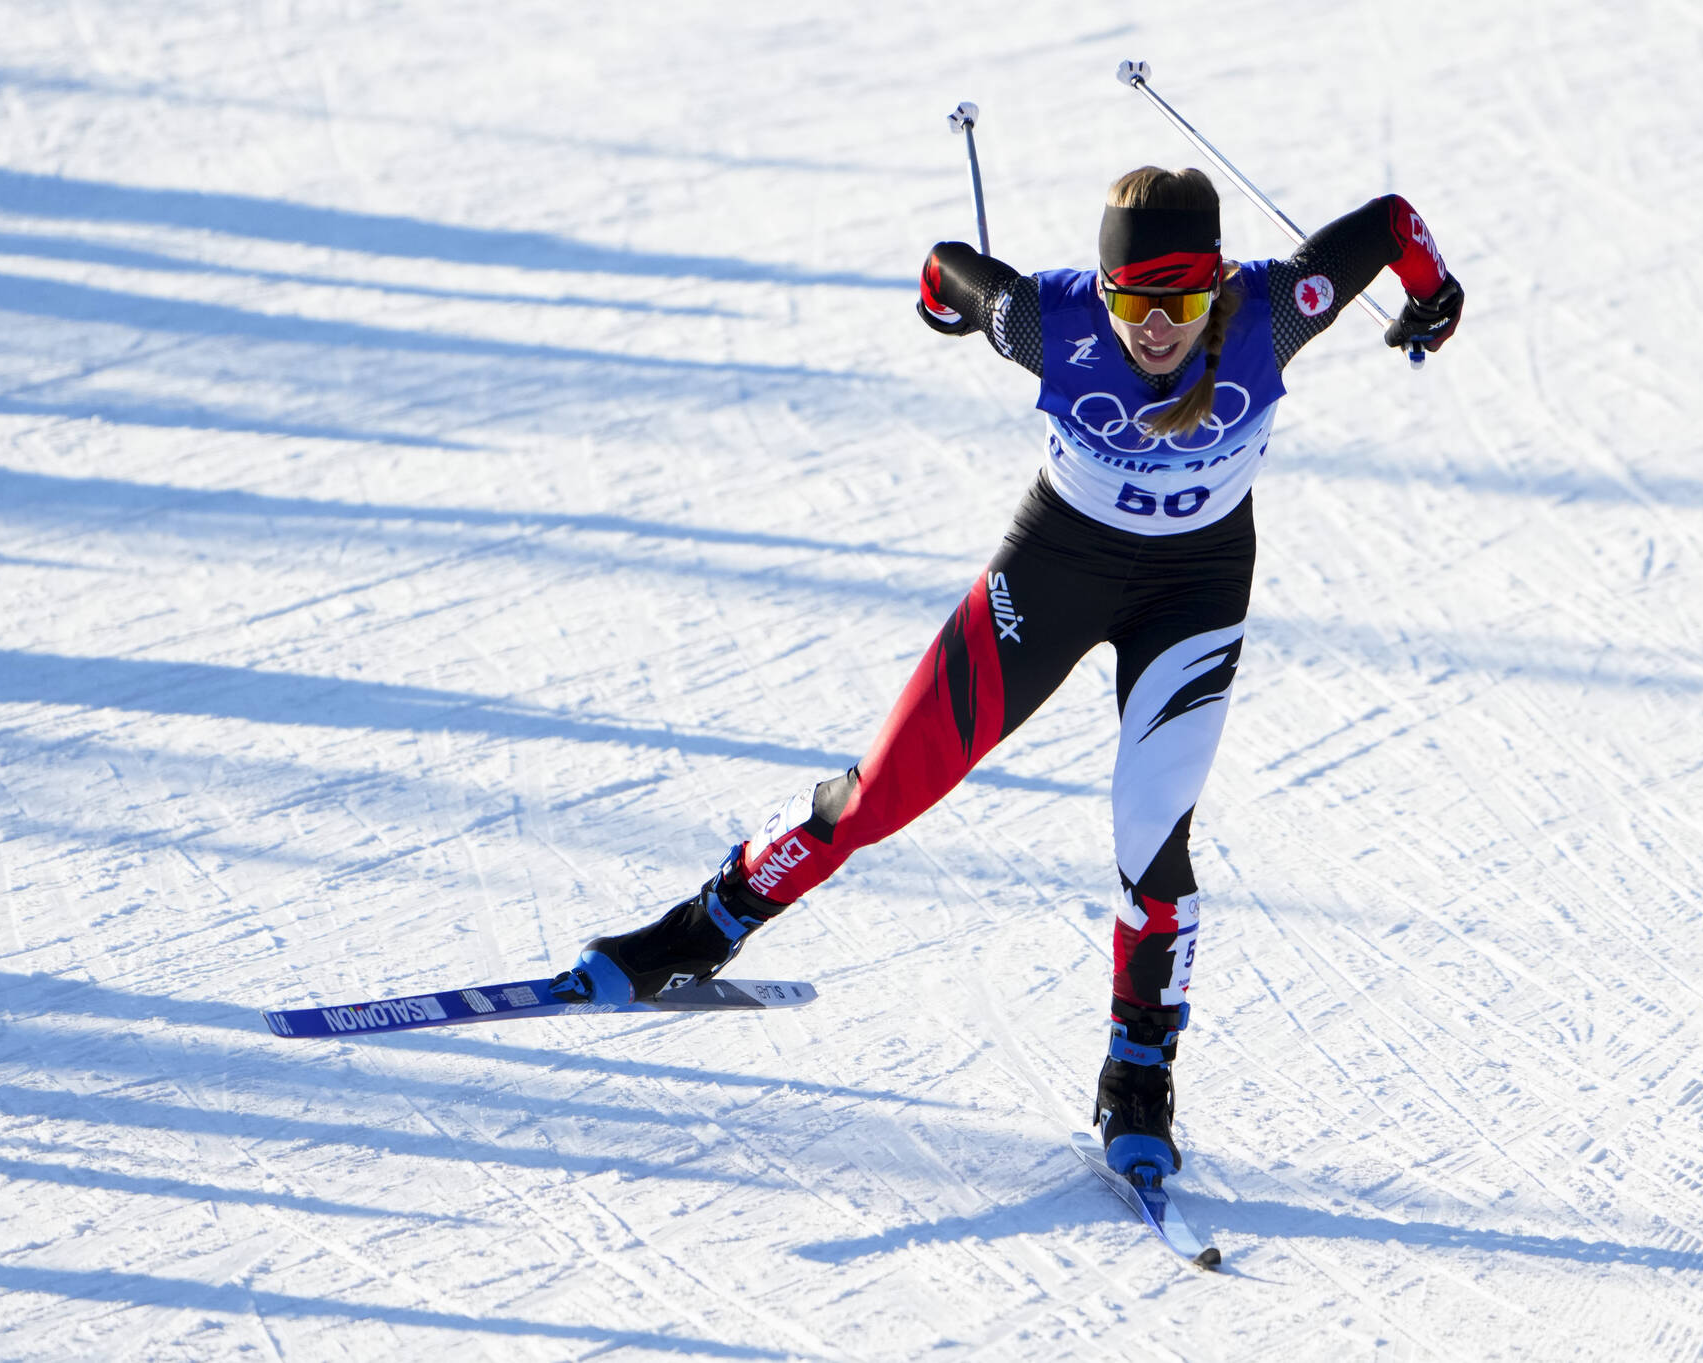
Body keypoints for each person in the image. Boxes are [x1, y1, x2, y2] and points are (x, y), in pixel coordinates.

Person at [554, 165, 1464, 1180]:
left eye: (1179, 299)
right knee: (879, 794)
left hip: (1193, 593)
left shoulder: (1271, 311)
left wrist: (1432, 293)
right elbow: (950, 271)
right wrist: (935, 301)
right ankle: (702, 926)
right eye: (1131, 297)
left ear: (1215, 284)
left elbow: (1388, 224)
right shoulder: (1051, 320)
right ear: (1102, 285)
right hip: (1055, 571)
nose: (1153, 324)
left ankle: (1137, 1075)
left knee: (1149, 841)